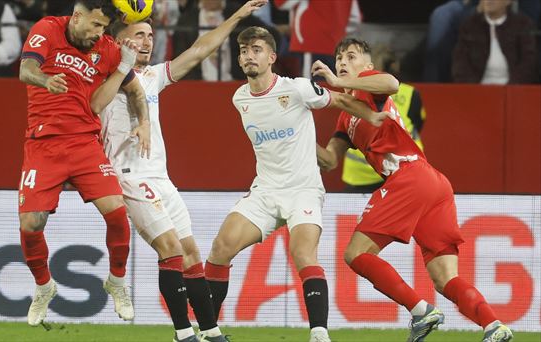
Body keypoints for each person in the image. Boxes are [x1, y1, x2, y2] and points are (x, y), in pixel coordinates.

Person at [314, 37, 513, 342]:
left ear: (367, 66)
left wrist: (336, 81)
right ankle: (494, 326)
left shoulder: (370, 84)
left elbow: (392, 83)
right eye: (338, 57)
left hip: (408, 177)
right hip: (431, 183)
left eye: (351, 56)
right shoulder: (346, 114)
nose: (342, 62)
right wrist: (294, 137)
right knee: (445, 278)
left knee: (356, 254)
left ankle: (420, 311)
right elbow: (328, 160)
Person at [91, 1, 269, 341]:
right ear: (119, 43)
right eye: (138, 35)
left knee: (191, 255)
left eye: (150, 35)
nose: (147, 41)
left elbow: (200, 49)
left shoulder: (152, 77)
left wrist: (236, 16)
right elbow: (95, 104)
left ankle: (212, 333)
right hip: (129, 175)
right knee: (171, 249)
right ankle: (184, 334)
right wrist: (120, 64)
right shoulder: (105, 78)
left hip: (160, 177)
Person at [204, 27, 389, 342]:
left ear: (272, 57)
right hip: (265, 190)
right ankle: (209, 331)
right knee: (221, 248)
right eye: (244, 50)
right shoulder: (240, 98)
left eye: (257, 49)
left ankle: (319, 334)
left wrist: (370, 118)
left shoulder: (299, 89)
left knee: (302, 252)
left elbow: (341, 101)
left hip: (303, 189)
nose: (249, 55)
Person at [17, 0, 150, 327]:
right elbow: (25, 70)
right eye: (94, 25)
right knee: (30, 224)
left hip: (84, 143)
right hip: (43, 143)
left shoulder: (107, 49)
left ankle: (117, 282)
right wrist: (45, 81)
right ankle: (44, 286)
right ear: (77, 16)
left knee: (118, 213)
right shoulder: (47, 29)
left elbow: (133, 92)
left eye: (103, 28)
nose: (98, 33)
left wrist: (143, 121)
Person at [342, 45, 426, 193]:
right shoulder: (411, 93)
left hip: (359, 176)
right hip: (400, 170)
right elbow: (419, 124)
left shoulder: (355, 90)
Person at [172, 0, 280, 81]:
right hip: (197, 85)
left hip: (234, 82)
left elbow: (271, 35)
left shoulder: (239, 14)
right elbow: (180, 55)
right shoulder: (187, 20)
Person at [452, 0, 538, 84]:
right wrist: (475, 91)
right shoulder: (469, 26)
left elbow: (529, 62)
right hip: (477, 91)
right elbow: (460, 64)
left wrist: (511, 91)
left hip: (513, 91)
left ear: (508, 1)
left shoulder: (523, 24)